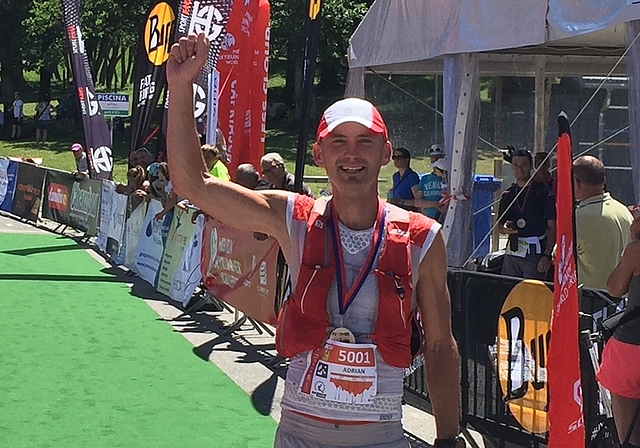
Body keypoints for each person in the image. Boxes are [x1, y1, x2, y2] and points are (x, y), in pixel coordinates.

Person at [166, 33, 463, 448]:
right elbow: (194, 185)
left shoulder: (422, 238)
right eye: (338, 142)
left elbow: (439, 345)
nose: (352, 155)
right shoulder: (293, 219)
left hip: (382, 438)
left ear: (385, 152)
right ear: (319, 155)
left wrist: (449, 438)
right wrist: (180, 88)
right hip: (300, 437)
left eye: (366, 142)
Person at [597, 217, 640, 448]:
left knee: (629, 437)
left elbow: (614, 288)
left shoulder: (636, 250)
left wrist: (633, 240)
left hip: (631, 348)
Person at [573, 155, 633, 290]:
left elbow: (559, 257)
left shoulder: (578, 218)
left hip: (590, 299)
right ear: (603, 180)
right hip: (620, 300)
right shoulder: (623, 211)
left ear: (577, 183)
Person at [498, 149, 555, 280]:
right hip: (513, 250)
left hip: (535, 253)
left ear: (530, 166)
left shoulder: (543, 192)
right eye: (516, 165)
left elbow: (552, 226)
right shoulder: (508, 194)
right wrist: (504, 229)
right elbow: (499, 225)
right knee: (509, 291)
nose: (519, 169)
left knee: (532, 294)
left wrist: (547, 255)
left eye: (523, 164)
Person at [388, 147, 420, 211]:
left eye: (399, 157)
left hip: (409, 211)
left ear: (407, 159)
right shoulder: (395, 176)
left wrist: (401, 201)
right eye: (394, 157)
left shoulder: (412, 176)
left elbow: (418, 200)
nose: (396, 160)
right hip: (397, 210)